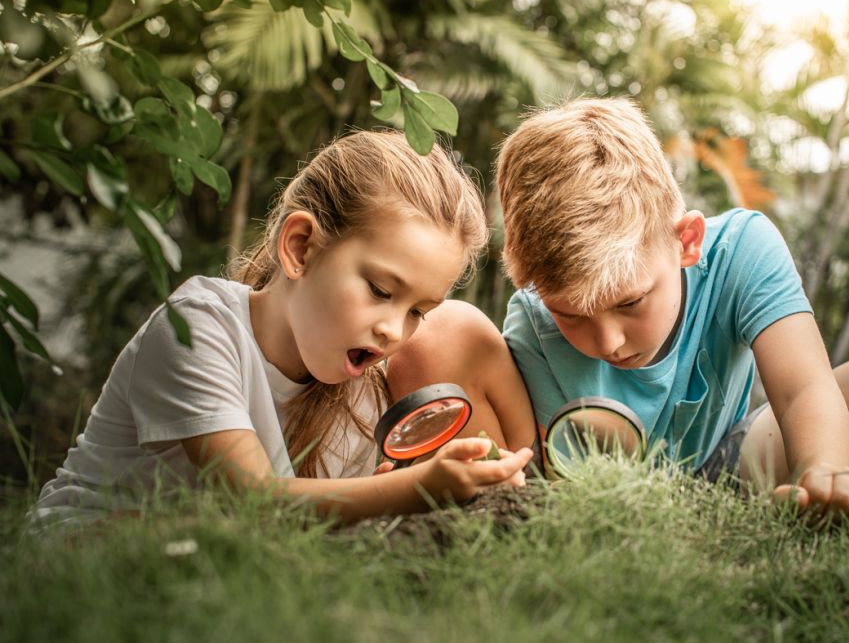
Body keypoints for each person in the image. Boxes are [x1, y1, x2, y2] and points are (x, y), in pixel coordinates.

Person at [29, 130, 535, 530]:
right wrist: (417, 489)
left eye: (417, 312)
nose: (394, 332)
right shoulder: (198, 327)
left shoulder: (360, 402)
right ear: (299, 247)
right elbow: (256, 503)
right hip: (83, 554)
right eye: (381, 290)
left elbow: (306, 526)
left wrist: (381, 495)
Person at [497, 98, 849, 520]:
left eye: (630, 302)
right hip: (615, 506)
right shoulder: (531, 324)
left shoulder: (741, 249)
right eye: (570, 314)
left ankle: (806, 530)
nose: (609, 342)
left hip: (726, 464)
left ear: (686, 241)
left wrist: (826, 475)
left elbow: (803, 389)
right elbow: (559, 483)